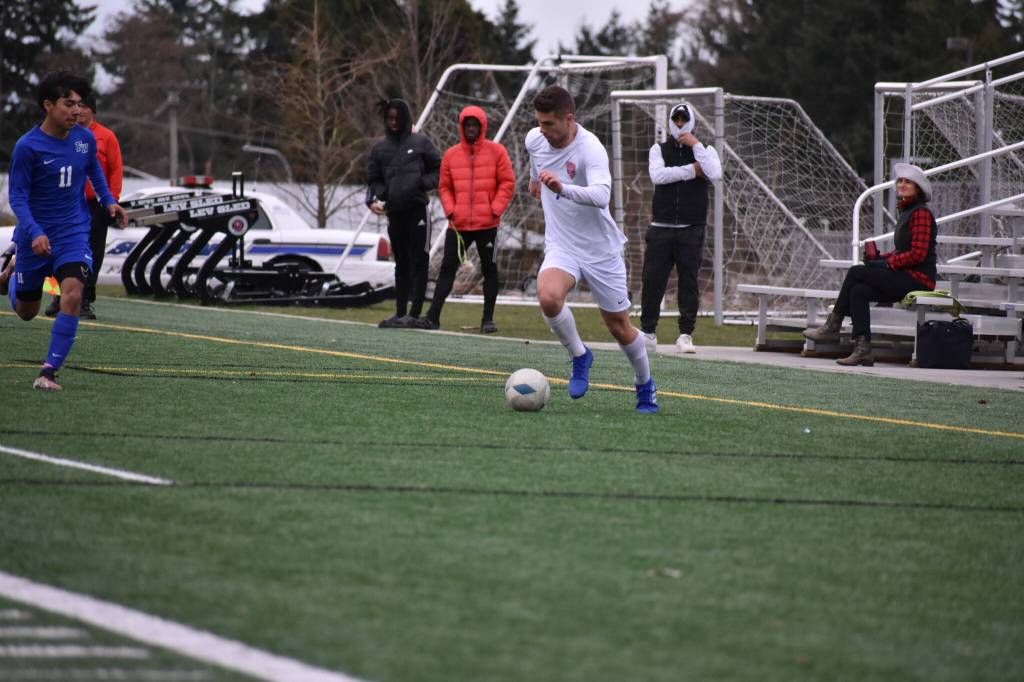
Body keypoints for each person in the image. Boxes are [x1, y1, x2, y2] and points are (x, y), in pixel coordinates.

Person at [525, 85, 658, 413]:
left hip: (600, 250)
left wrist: (563, 188)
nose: (542, 130)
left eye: (549, 124)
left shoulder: (590, 148)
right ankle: (580, 356)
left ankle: (645, 385)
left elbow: (601, 196)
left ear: (569, 119)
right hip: (562, 245)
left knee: (618, 327)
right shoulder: (535, 140)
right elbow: (535, 169)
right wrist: (536, 182)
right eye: (539, 122)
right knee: (548, 297)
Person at [0, 71, 127, 390]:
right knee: (27, 311)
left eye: (79, 104)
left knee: (72, 293)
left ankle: (48, 372)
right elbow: (17, 198)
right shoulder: (27, 147)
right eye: (69, 104)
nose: (76, 111)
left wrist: (109, 201)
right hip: (34, 237)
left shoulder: (84, 139)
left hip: (73, 232)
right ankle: (12, 275)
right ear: (48, 105)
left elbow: (94, 171)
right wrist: (35, 231)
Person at [803, 163, 937, 366]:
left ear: (918, 188)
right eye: (900, 181)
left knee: (856, 271)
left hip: (918, 279)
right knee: (859, 291)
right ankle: (862, 349)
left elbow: (918, 254)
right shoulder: (908, 212)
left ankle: (833, 324)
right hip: (904, 275)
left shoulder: (921, 214)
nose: (901, 184)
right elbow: (902, 251)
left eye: (907, 182)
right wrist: (880, 259)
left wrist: (888, 263)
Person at [417, 105, 515, 332]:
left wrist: (495, 209)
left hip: (488, 224)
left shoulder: (497, 151)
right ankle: (432, 317)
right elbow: (444, 187)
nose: (471, 129)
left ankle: (487, 320)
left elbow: (507, 183)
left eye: (475, 125)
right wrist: (451, 211)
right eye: (467, 125)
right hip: (458, 225)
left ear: (482, 127)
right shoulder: (451, 154)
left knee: (490, 269)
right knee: (447, 268)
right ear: (462, 127)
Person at [640, 102, 722, 354]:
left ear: (691, 122)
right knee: (652, 281)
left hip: (691, 228)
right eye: (675, 119)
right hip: (660, 227)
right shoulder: (658, 149)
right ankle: (648, 332)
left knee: (689, 283)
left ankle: (685, 334)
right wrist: (692, 171)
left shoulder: (705, 150)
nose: (679, 124)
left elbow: (714, 173)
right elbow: (658, 176)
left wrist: (695, 145)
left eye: (683, 120)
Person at [44, 90, 123, 320]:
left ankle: (85, 299)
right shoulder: (64, 134)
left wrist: (112, 200)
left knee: (93, 252)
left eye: (84, 106)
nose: (79, 111)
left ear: (92, 110)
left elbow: (116, 170)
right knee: (58, 249)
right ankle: (57, 296)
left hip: (96, 205)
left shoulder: (106, 137)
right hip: (69, 203)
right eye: (74, 106)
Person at [366, 98, 441, 328]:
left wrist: (422, 183)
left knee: (420, 261)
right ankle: (400, 314)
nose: (394, 122)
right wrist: (376, 197)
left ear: (406, 118)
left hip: (418, 210)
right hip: (394, 213)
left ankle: (414, 314)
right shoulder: (380, 148)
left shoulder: (421, 142)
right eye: (390, 118)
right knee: (401, 263)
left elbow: (439, 169)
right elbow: (373, 179)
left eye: (398, 118)